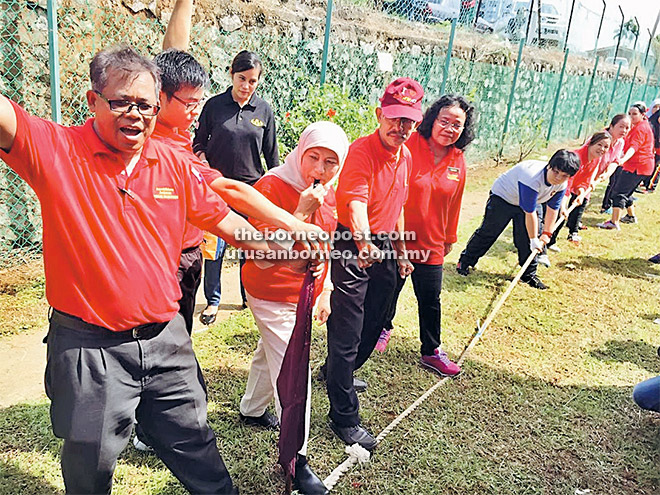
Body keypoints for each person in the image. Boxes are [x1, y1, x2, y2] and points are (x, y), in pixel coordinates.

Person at [0, 45, 295, 495]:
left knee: (200, 451)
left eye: (145, 105)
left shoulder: (172, 160)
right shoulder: (56, 150)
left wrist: (283, 243)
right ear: (92, 99)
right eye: (121, 102)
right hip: (90, 347)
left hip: (166, 341)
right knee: (90, 466)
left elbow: (224, 220)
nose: (134, 114)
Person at [239, 121, 349, 495]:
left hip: (305, 292)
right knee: (293, 373)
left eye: (330, 162)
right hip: (270, 292)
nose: (319, 170)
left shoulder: (328, 193)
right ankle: (296, 461)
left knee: (269, 354)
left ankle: (251, 409)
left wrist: (326, 287)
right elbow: (260, 256)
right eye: (312, 157)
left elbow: (326, 243)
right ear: (300, 152)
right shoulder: (271, 187)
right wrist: (299, 212)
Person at [323, 77, 423, 451]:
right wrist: (364, 243)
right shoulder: (361, 153)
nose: (401, 128)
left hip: (382, 245)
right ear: (380, 114)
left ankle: (337, 372)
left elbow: (397, 206)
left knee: (376, 319)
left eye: (408, 121)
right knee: (346, 331)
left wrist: (399, 251)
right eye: (395, 119)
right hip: (351, 243)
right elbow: (356, 205)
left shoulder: (406, 156)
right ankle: (344, 417)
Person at [377, 95, 476, 377]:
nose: (449, 128)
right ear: (431, 120)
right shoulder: (409, 147)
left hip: (432, 242)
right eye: (444, 121)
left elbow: (454, 203)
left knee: (430, 297)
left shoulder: (458, 160)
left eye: (457, 124)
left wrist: (449, 239)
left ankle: (431, 351)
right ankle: (383, 328)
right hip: (399, 236)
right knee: (389, 288)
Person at [193, 50, 279, 323]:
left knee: (249, 247)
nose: (246, 86)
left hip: (250, 192)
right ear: (231, 75)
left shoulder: (264, 110)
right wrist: (204, 163)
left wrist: (274, 190)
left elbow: (272, 157)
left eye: (253, 81)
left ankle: (247, 297)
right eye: (242, 79)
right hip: (217, 190)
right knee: (214, 250)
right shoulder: (214, 107)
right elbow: (198, 143)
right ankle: (213, 302)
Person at [456, 150, 581, 290]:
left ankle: (528, 274)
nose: (558, 178)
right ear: (549, 166)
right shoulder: (532, 177)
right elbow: (530, 212)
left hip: (532, 202)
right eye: (556, 172)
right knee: (489, 231)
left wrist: (546, 233)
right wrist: (534, 239)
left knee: (526, 239)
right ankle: (465, 262)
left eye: (564, 176)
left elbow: (552, 210)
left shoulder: (561, 185)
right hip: (504, 197)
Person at [598, 102, 655, 230]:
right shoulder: (638, 126)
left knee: (618, 192)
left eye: (634, 114)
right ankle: (630, 216)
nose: (631, 116)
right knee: (627, 191)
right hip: (641, 166)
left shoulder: (641, 128)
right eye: (629, 114)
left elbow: (634, 148)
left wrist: (621, 160)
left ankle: (614, 222)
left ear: (643, 114)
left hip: (637, 166)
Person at [547, 131, 611, 245]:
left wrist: (581, 193)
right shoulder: (577, 158)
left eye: (606, 146)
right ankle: (541, 244)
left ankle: (550, 243)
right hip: (556, 185)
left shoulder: (596, 159)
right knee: (556, 215)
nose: (602, 149)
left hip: (566, 186)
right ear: (591, 143)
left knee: (562, 217)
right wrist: (563, 206)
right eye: (599, 145)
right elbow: (567, 183)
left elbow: (584, 181)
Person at [598, 114, 632, 215]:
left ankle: (574, 224)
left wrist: (607, 174)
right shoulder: (600, 138)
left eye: (627, 128)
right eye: (621, 126)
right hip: (586, 172)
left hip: (597, 174)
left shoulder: (620, 142)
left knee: (584, 198)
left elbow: (615, 162)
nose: (624, 130)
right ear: (611, 126)